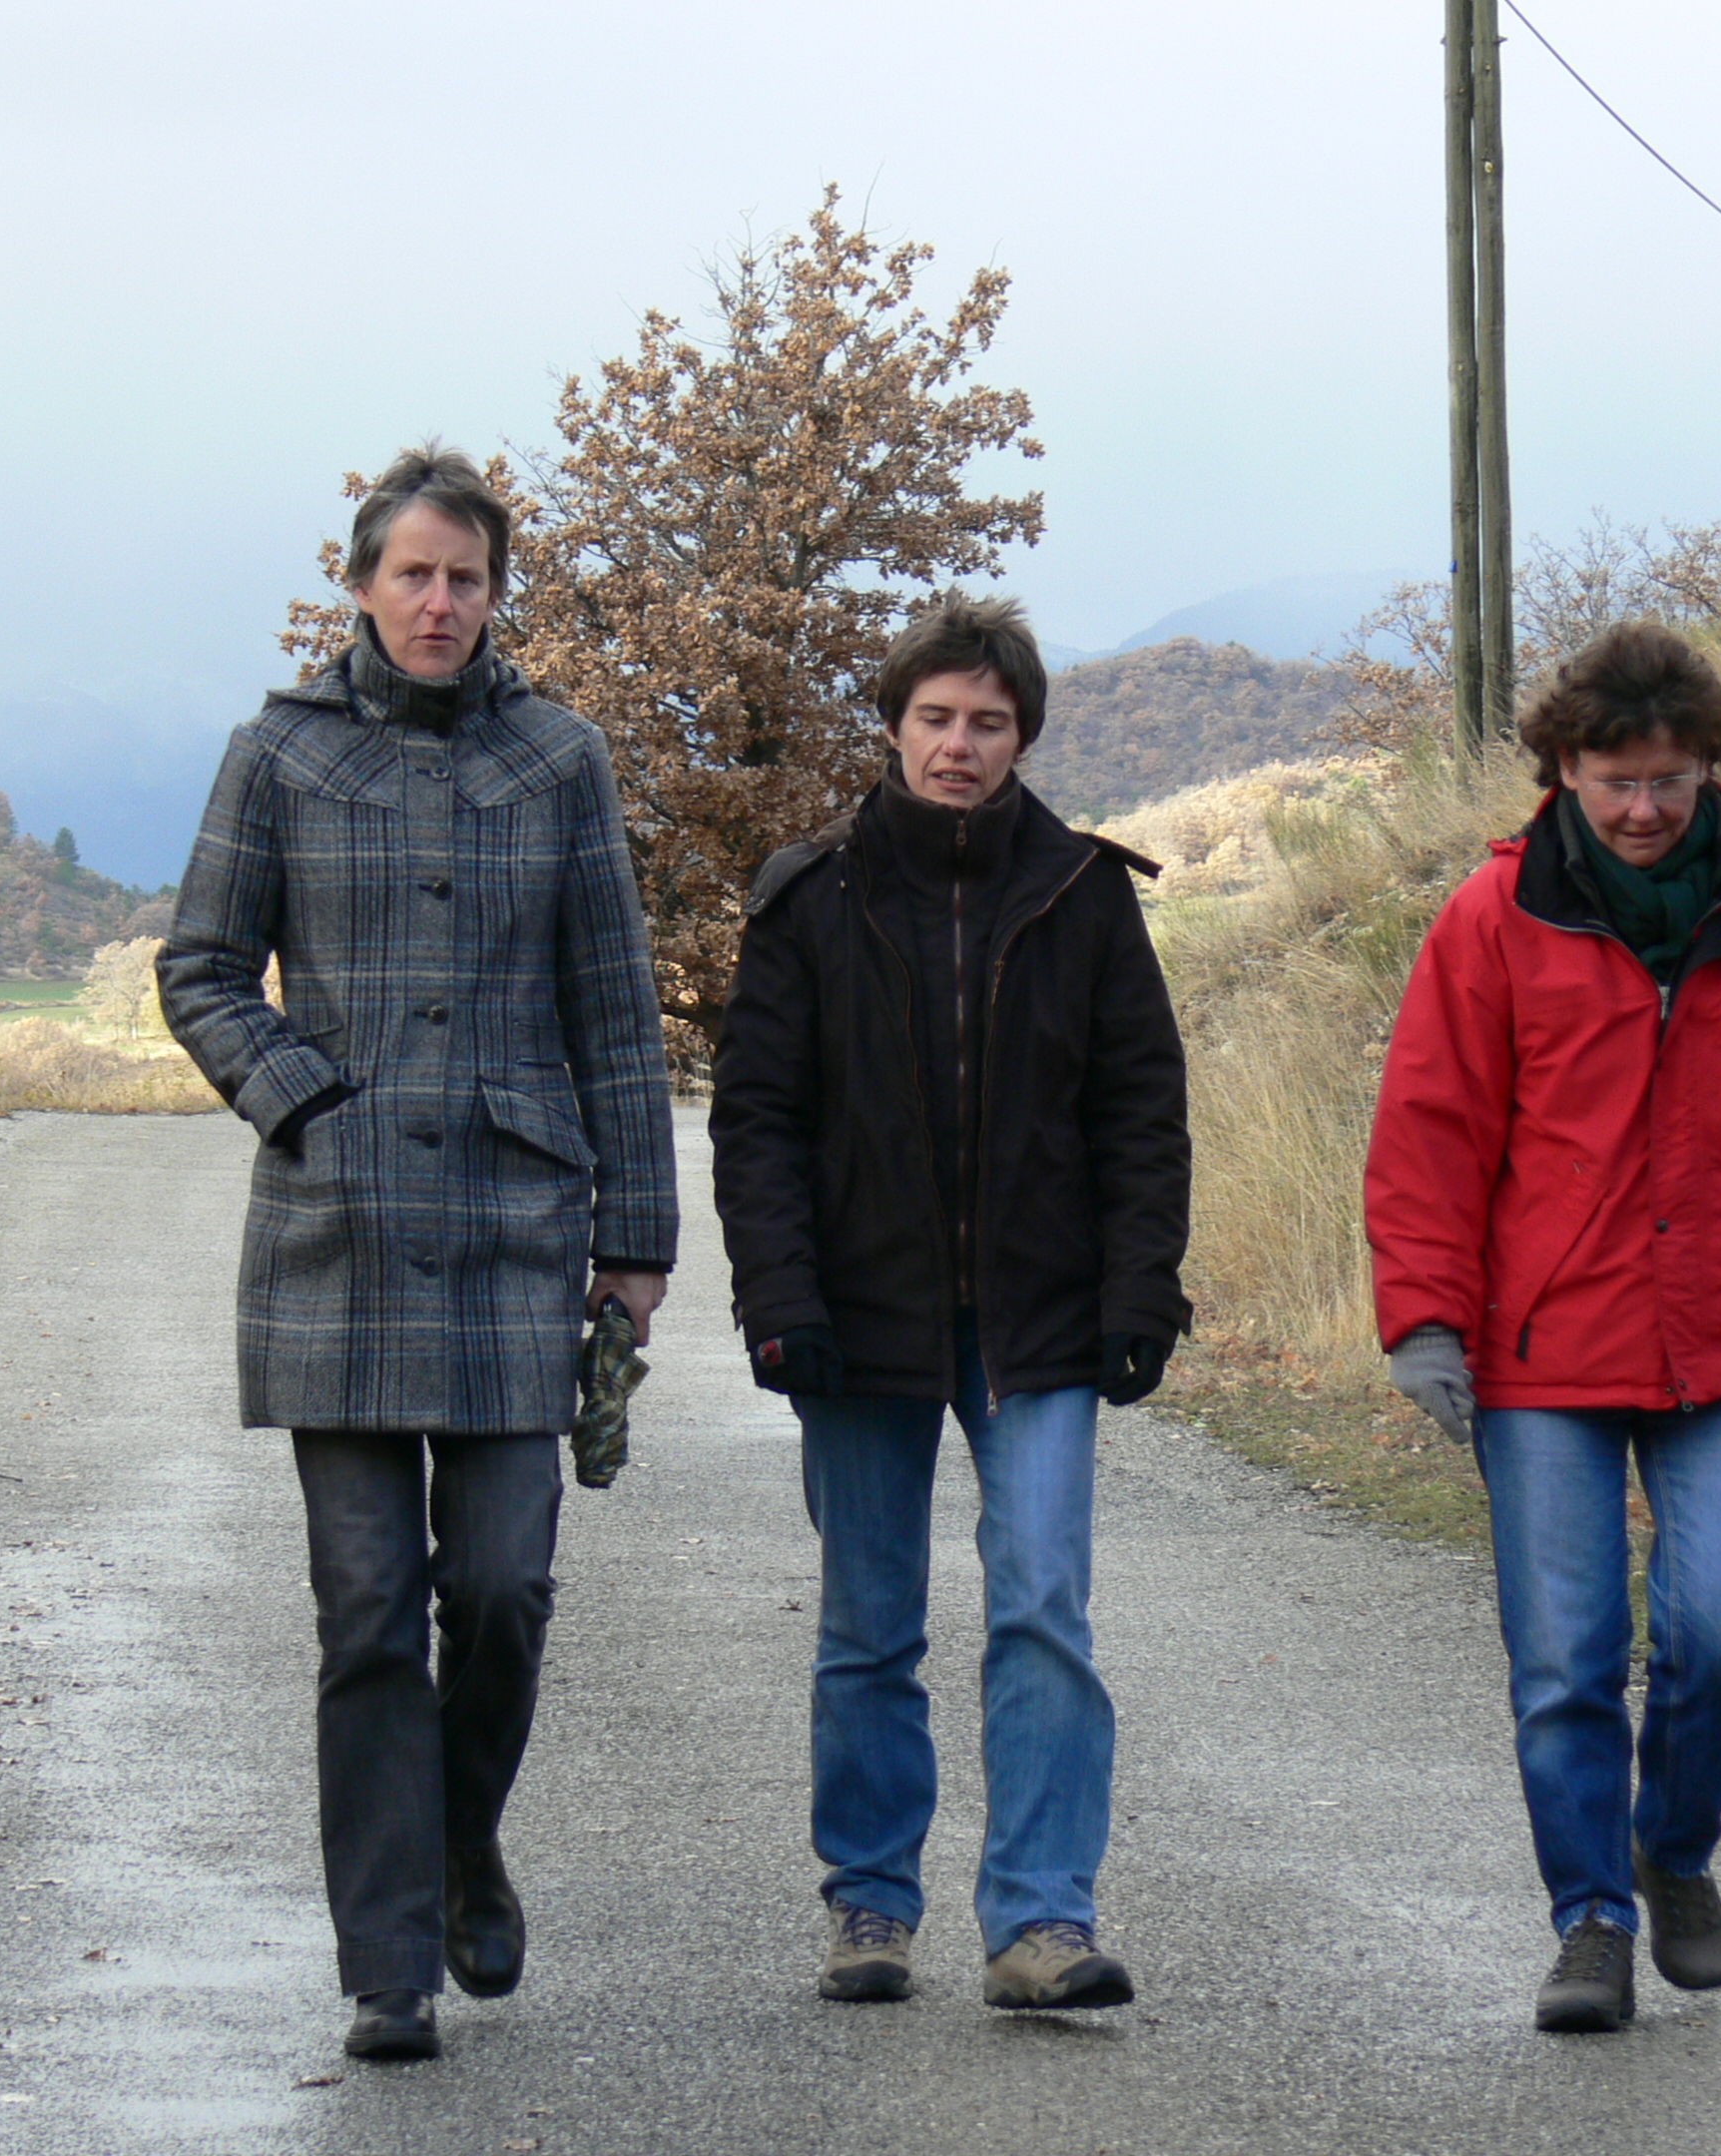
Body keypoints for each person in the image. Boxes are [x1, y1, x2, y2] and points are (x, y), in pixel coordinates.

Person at [158, 444, 678, 2063]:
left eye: (466, 578)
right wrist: (307, 1100)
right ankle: (388, 1966)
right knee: (371, 1607)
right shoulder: (280, 753)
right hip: (339, 1238)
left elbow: (615, 1008)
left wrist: (637, 1239)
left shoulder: (560, 758)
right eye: (414, 574)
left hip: (521, 1233)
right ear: (363, 584)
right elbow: (200, 969)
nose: (440, 602)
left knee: (503, 1590)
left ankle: (460, 1843)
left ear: (495, 593)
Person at [1365, 621, 1721, 2035]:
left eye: (1670, 778)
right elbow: (1429, 1130)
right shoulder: (1494, 918)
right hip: (1541, 1348)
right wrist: (1423, 1318)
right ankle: (1593, 1921)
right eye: (1615, 780)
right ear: (1563, 771)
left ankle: (1671, 1847)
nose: (1643, 808)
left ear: (1708, 768)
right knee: (1566, 1657)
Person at [709, 594, 1190, 2012]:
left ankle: (1041, 1920)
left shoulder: (1086, 894)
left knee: (1042, 1609)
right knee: (870, 1625)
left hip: (1041, 1323)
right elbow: (758, 1120)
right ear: (894, 726)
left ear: (1022, 735)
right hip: (859, 1319)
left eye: (987, 722)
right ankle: (870, 1902)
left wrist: (1140, 1287)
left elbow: (1142, 1112)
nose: (959, 745)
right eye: (935, 718)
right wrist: (779, 1297)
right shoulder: (810, 897)